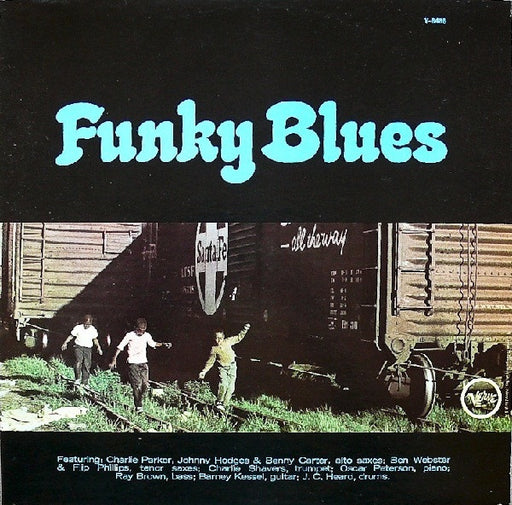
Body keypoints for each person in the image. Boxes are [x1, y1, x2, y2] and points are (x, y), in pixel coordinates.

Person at [109, 318, 171, 412]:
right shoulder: (130, 335)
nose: (141, 332)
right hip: (133, 363)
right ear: (135, 328)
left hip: (143, 363)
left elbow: (153, 344)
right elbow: (120, 347)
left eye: (143, 331)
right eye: (140, 330)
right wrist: (114, 359)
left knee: (145, 385)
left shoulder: (147, 336)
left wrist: (163, 344)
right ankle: (138, 405)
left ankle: (138, 399)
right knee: (137, 385)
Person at [198, 323, 251, 411]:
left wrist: (245, 330)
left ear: (223, 337)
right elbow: (210, 362)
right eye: (216, 338)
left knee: (231, 388)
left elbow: (239, 337)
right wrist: (204, 371)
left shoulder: (228, 341)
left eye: (220, 338)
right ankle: (219, 401)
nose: (218, 340)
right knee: (223, 384)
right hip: (222, 368)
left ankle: (225, 405)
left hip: (232, 367)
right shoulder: (214, 349)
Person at [61, 314, 103, 387]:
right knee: (78, 361)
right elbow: (71, 336)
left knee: (87, 364)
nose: (87, 326)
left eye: (88, 324)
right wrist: (65, 343)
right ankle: (77, 379)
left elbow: (95, 339)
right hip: (78, 347)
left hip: (88, 348)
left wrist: (98, 347)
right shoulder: (78, 328)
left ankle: (85, 382)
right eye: (86, 324)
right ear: (83, 322)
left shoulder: (93, 329)